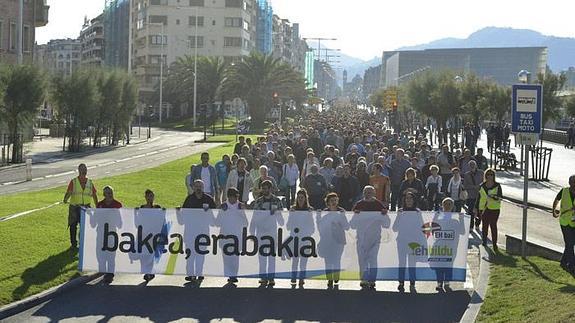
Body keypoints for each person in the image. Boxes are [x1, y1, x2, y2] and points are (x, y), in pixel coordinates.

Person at [351, 186, 388, 290]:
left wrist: (384, 215)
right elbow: (352, 225)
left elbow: (386, 224)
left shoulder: (378, 205)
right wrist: (356, 215)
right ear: (363, 193)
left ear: (374, 193)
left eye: (370, 192)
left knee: (372, 259)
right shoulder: (359, 205)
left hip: (375, 238)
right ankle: (363, 279)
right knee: (362, 260)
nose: (368, 194)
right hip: (361, 238)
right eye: (366, 192)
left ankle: (372, 280)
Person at [182, 179, 217, 283]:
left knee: (201, 254)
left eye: (200, 186)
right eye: (196, 186)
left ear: (203, 187)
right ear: (193, 187)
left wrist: (208, 212)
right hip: (190, 231)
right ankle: (190, 274)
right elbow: (184, 214)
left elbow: (214, 215)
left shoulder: (209, 199)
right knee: (190, 254)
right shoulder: (189, 199)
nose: (198, 188)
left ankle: (199, 273)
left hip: (203, 232)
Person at [251, 180, 284, 287]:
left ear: (270, 189)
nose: (264, 190)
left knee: (271, 256)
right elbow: (254, 217)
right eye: (263, 188)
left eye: (266, 188)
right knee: (262, 256)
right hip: (261, 231)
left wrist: (276, 214)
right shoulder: (258, 201)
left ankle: (271, 277)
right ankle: (263, 277)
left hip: (272, 232)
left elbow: (281, 220)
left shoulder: (276, 201)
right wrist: (252, 231)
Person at [215, 188, 248, 286]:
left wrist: (240, 212)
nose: (234, 199)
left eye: (235, 197)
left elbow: (245, 222)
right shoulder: (223, 206)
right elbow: (217, 222)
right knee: (226, 257)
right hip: (225, 235)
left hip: (236, 236)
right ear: (229, 196)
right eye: (232, 197)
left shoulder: (240, 206)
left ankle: (234, 276)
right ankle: (229, 274)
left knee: (235, 257)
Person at [317, 192, 349, 289]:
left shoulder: (341, 211)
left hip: (339, 240)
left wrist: (342, 218)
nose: (334, 202)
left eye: (335, 200)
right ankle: (329, 278)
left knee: (336, 259)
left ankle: (336, 276)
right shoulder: (325, 212)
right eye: (332, 201)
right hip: (327, 240)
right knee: (328, 260)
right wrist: (318, 217)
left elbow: (347, 227)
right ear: (328, 203)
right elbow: (320, 227)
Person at [63, 163, 98, 250]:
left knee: (85, 226)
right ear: (79, 171)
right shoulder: (74, 181)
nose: (84, 171)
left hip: (86, 208)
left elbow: (94, 195)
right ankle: (74, 244)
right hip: (75, 207)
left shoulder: (90, 182)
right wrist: (65, 199)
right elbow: (69, 192)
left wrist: (97, 206)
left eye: (85, 169)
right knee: (73, 226)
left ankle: (84, 242)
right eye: (82, 169)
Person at [393, 191, 421, 293]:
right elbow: (394, 228)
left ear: (414, 200)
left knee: (412, 263)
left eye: (410, 198)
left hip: (413, 242)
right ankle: (401, 282)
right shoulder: (400, 211)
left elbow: (421, 227)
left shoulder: (418, 212)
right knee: (402, 262)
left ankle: (412, 282)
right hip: (401, 241)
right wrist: (399, 216)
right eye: (407, 198)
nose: (408, 200)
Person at [287, 189, 314, 287]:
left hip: (305, 239)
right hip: (295, 238)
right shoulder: (293, 209)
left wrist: (308, 233)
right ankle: (293, 277)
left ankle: (302, 278)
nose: (300, 199)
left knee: (304, 261)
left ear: (305, 198)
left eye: (302, 197)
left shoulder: (309, 209)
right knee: (295, 260)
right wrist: (291, 214)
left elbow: (312, 227)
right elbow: (288, 226)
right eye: (298, 197)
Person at [96, 185, 123, 283]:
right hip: (101, 233)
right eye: (108, 193)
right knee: (100, 254)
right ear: (104, 194)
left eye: (111, 192)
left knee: (111, 254)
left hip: (112, 233)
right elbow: (95, 221)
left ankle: (110, 274)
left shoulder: (118, 205)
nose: (110, 195)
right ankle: (103, 270)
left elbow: (120, 223)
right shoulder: (99, 205)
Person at [552, 175, 575, 276]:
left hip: (574, 222)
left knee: (571, 243)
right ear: (570, 183)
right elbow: (556, 200)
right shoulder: (564, 191)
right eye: (574, 182)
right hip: (564, 221)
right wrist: (553, 211)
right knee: (569, 244)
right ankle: (572, 265)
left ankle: (563, 261)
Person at [476, 169, 502, 251]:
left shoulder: (497, 185)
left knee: (493, 226)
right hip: (483, 208)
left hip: (494, 208)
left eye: (491, 175)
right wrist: (475, 208)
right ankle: (484, 242)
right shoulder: (482, 185)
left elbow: (500, 197)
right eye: (488, 174)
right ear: (485, 176)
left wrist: (494, 197)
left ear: (494, 176)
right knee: (484, 225)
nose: (490, 176)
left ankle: (494, 244)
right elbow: (478, 197)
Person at [140, 189, 162, 282]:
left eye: (152, 196)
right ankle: (147, 271)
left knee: (152, 253)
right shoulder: (142, 208)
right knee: (145, 254)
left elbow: (162, 219)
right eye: (149, 196)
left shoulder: (157, 207)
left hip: (154, 234)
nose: (150, 198)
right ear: (145, 197)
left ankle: (150, 272)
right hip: (145, 234)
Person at [463, 161, 484, 232]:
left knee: (479, 211)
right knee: (470, 211)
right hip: (471, 196)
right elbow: (465, 185)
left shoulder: (481, 173)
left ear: (476, 165)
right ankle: (471, 226)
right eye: (470, 165)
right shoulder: (467, 175)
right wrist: (474, 187)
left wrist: (480, 186)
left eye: (473, 164)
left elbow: (484, 182)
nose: (472, 166)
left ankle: (477, 224)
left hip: (480, 195)